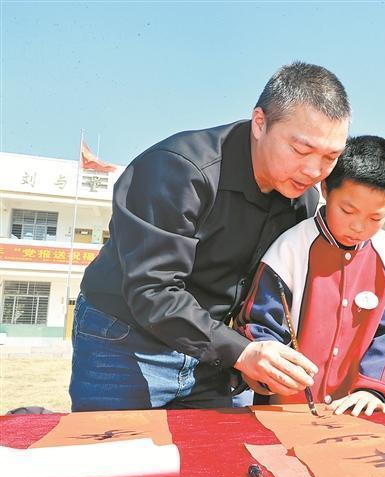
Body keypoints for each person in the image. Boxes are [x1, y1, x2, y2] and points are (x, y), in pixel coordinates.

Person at [69, 62, 350, 411]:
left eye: (330, 157)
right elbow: (153, 290)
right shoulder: (178, 170)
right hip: (125, 340)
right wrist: (241, 352)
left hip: (216, 354)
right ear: (259, 123)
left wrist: (251, 349)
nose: (313, 171)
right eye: (301, 150)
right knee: (121, 446)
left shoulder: (301, 197)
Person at [235, 135, 385, 416]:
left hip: (358, 410)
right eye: (347, 210)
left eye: (375, 218)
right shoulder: (289, 248)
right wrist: (271, 374)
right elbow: (259, 324)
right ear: (325, 189)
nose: (358, 227)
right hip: (286, 410)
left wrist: (374, 389)